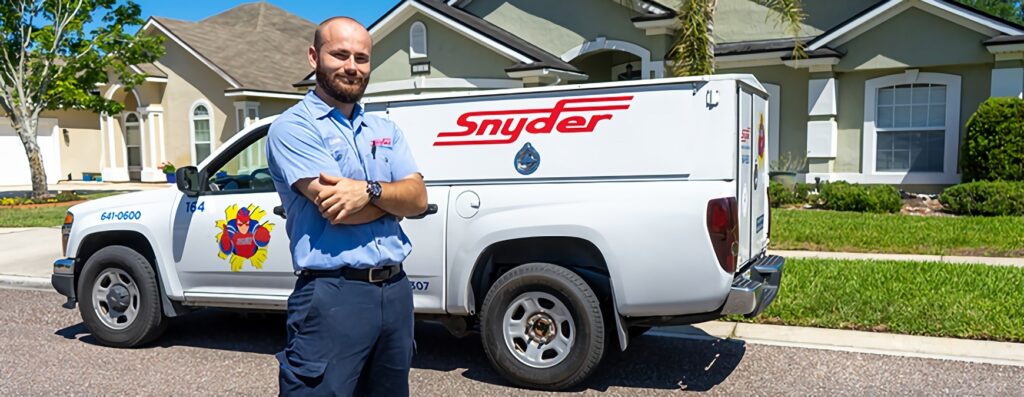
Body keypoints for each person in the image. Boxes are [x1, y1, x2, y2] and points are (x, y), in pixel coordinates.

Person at [265, 16, 427, 397]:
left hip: (396, 291)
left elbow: (420, 199)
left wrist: (369, 190)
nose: (352, 67)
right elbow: (339, 208)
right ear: (313, 57)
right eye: (340, 55)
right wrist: (393, 200)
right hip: (332, 295)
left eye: (361, 58)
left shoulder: (385, 129)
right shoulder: (293, 128)